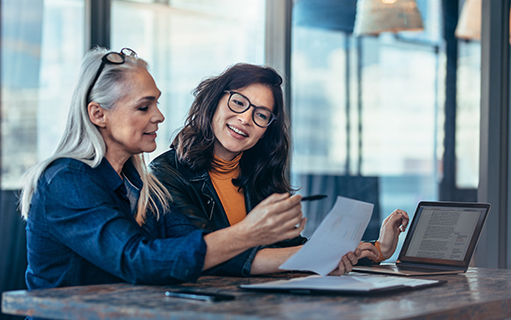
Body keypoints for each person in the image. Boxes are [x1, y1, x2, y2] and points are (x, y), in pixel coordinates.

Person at [20, 48, 367, 291]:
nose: (159, 116)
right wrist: (249, 232)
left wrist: (322, 256)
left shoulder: (140, 184)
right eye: (144, 106)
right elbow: (138, 261)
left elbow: (190, 248)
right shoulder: (66, 181)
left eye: (156, 103)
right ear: (98, 114)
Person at [149, 63, 410, 273]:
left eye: (261, 115)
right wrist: (320, 255)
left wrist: (377, 249)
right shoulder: (166, 174)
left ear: (266, 131)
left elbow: (290, 248)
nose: (245, 119)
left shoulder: (259, 176)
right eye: (238, 102)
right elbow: (210, 255)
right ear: (214, 101)